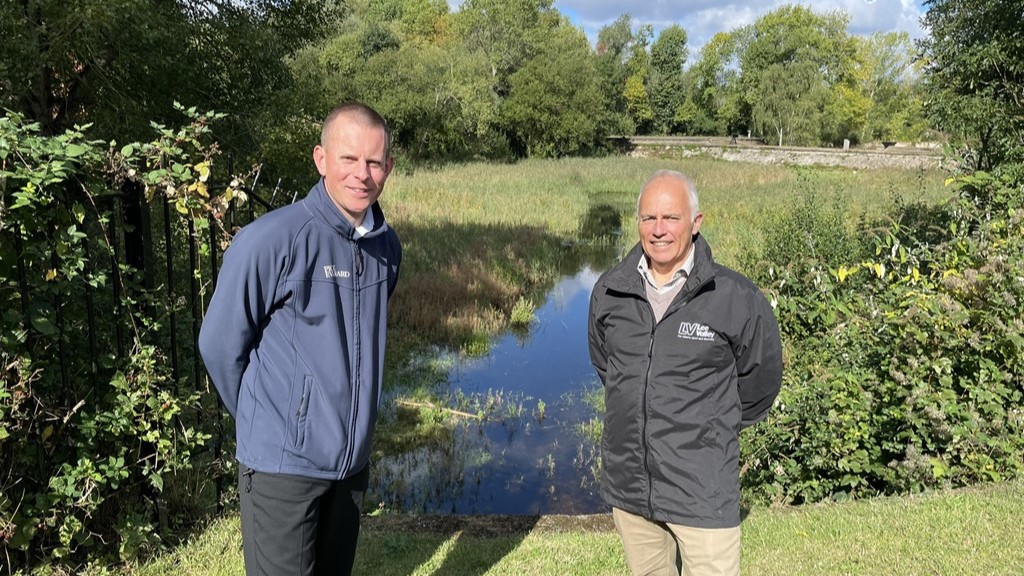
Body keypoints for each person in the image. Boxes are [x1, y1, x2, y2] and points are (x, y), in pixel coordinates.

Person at [198, 102, 401, 576]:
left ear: (388, 167)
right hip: (282, 469)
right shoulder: (271, 240)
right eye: (348, 159)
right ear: (321, 159)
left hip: (351, 466)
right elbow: (219, 345)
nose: (362, 174)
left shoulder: (385, 249)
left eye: (374, 162)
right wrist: (274, 421)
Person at [587, 170, 782, 576]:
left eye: (671, 218)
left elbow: (760, 383)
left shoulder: (735, 297)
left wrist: (709, 428)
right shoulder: (610, 290)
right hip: (631, 490)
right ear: (637, 222)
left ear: (696, 223)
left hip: (702, 490)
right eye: (648, 218)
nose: (659, 230)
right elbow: (609, 367)